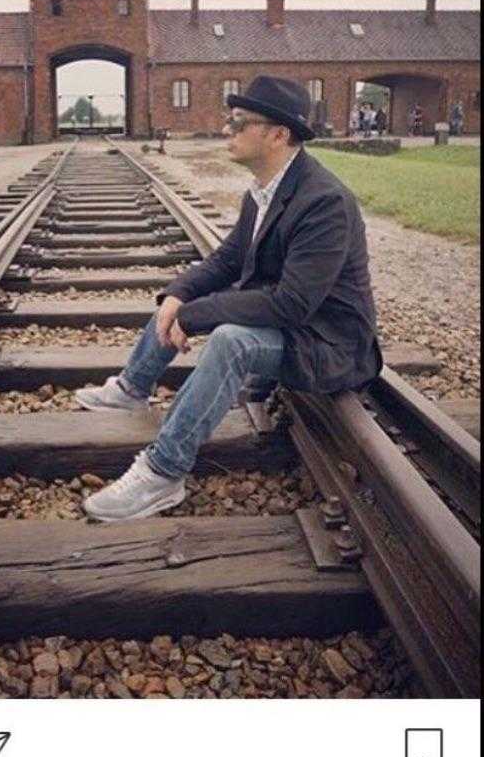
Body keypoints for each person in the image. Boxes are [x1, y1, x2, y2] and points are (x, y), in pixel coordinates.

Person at [76, 75, 383, 523]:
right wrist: (179, 295)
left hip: (329, 343)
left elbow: (293, 304)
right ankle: (132, 387)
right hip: (292, 326)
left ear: (278, 134)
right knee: (184, 299)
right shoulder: (261, 192)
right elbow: (226, 261)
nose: (226, 129)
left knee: (230, 339)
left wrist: (198, 315)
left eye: (239, 122)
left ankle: (163, 474)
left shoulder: (325, 202)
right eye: (229, 120)